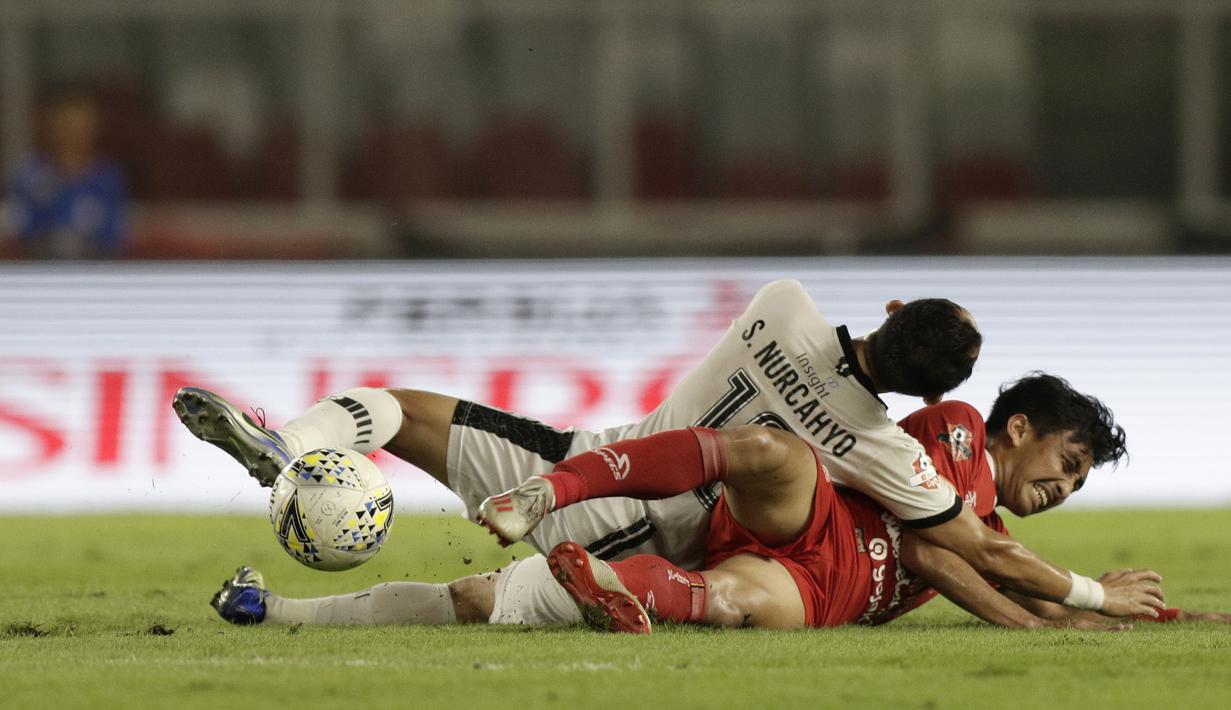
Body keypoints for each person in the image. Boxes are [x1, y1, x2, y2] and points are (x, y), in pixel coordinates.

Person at [177, 280, 1159, 624]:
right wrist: (1086, 595)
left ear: (892, 309)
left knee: (397, 407)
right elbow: (964, 544)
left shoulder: (782, 301)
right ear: (932, 397)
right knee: (475, 602)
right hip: (674, 529)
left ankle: (296, 444)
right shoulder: (879, 451)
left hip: (593, 454)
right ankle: (283, 606)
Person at [209, 376, 1218, 630]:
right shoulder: (953, 430)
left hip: (802, 576)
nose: (1066, 481)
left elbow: (961, 565)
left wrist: (1174, 617)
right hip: (791, 517)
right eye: (1069, 455)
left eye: (1082, 478)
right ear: (1014, 424)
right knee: (775, 456)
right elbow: (944, 550)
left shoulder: (991, 534)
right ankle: (287, 446)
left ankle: (279, 603)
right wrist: (1080, 597)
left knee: (488, 596)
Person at [5, 86, 128, 259]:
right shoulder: (28, 175)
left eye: (80, 124)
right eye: (65, 124)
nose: (72, 133)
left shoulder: (107, 177)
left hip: (94, 273)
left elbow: (114, 237)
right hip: (39, 272)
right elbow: (20, 234)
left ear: (92, 127)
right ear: (51, 125)